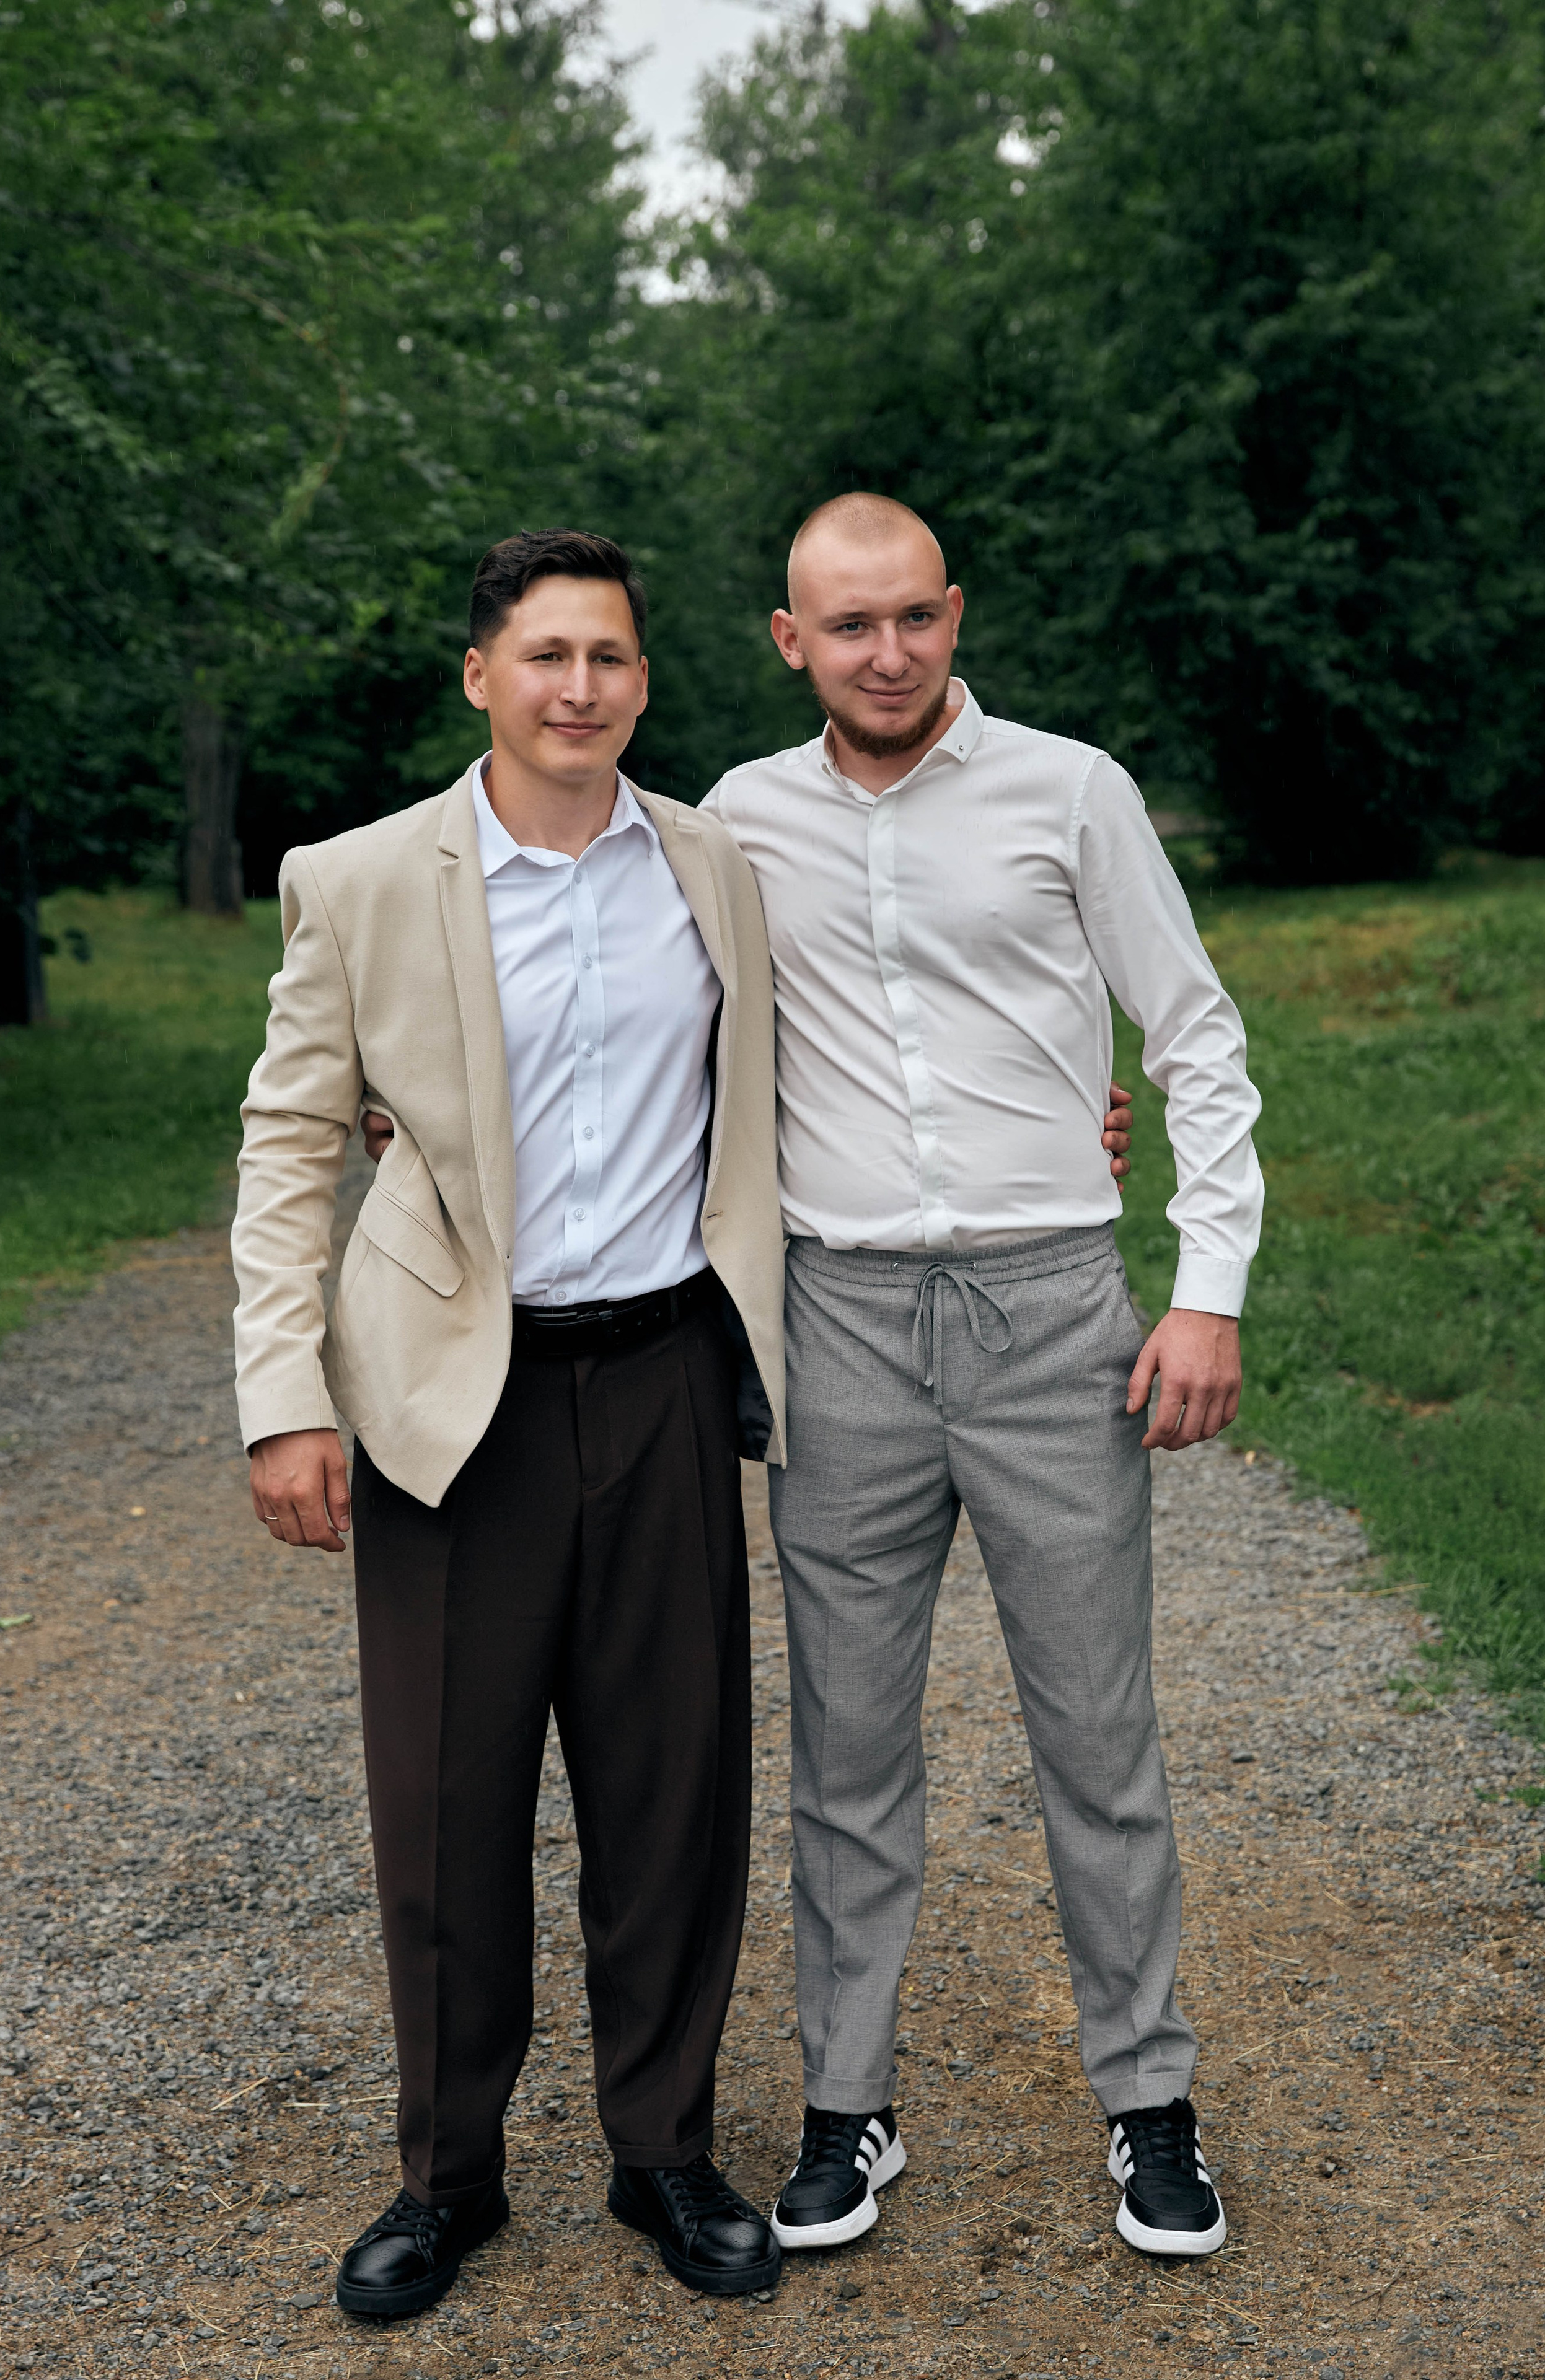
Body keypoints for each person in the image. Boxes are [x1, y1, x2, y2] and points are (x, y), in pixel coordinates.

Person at [231, 529, 793, 2316]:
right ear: (481, 674)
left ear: (642, 679)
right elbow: (287, 1143)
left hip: (662, 1378)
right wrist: (280, 1396)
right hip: (444, 1404)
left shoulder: (716, 865)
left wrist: (1050, 1111)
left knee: (672, 1791)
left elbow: (829, 1058)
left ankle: (664, 2150)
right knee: (448, 1804)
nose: (579, 687)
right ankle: (447, 2176)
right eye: (545, 654)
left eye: (610, 657)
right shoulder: (366, 877)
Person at [699, 493, 1263, 2264]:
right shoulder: (736, 819)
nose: (887, 652)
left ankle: (1150, 2102)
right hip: (843, 1319)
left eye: (914, 618)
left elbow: (1196, 1036)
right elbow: (636, 1030)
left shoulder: (1071, 790)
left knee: (1097, 1735)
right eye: (846, 626)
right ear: (790, 643)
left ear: (956, 614)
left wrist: (1209, 1287)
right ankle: (843, 2103)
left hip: (1049, 1312)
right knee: (847, 1747)